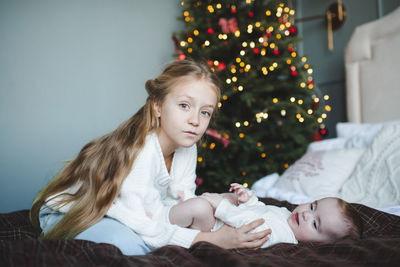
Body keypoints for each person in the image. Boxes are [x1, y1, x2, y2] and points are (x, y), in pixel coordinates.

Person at [29, 60, 271, 255]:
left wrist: (218, 204)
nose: (195, 120)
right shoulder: (142, 149)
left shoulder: (187, 146)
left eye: (205, 112)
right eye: (184, 106)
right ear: (157, 106)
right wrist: (211, 240)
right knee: (130, 246)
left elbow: (179, 203)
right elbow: (146, 224)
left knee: (195, 213)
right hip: (75, 212)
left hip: (131, 213)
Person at [170, 183, 363, 248]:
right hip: (222, 221)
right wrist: (247, 198)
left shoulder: (281, 236)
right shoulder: (286, 214)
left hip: (216, 231)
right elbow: (260, 209)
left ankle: (162, 220)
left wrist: (219, 205)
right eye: (313, 207)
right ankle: (180, 209)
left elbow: (248, 223)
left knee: (201, 208)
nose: (306, 215)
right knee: (230, 197)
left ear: (317, 244)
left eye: (315, 225)